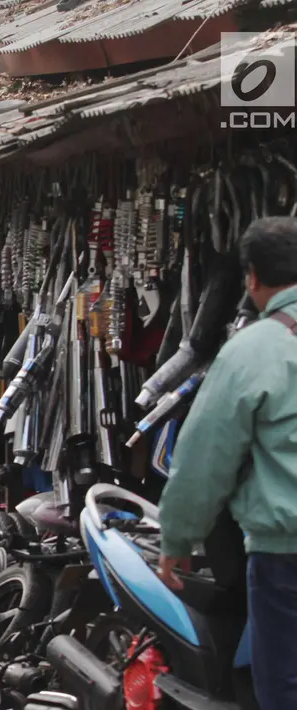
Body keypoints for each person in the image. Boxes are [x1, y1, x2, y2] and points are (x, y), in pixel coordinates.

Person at [158, 217, 297, 709]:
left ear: (252, 279)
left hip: (285, 557)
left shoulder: (251, 350)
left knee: (284, 684)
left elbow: (203, 457)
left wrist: (177, 537)